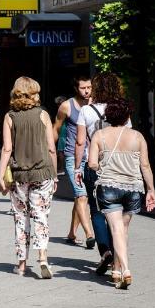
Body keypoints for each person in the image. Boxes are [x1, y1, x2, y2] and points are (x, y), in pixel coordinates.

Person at [88, 97, 155, 289]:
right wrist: (151, 190)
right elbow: (145, 165)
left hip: (109, 186)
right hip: (133, 188)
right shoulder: (137, 137)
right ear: (127, 116)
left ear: (108, 116)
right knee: (122, 231)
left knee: (116, 230)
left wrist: (101, 162)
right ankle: (116, 271)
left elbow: (92, 163)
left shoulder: (99, 135)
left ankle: (125, 269)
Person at [0, 77, 57, 279]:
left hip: (19, 175)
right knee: (40, 215)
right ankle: (42, 258)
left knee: (21, 217)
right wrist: (55, 176)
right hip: (43, 172)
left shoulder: (10, 117)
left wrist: (0, 175)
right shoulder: (43, 115)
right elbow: (51, 148)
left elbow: (7, 148)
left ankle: (22, 264)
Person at [74, 72, 126, 276]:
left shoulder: (86, 110)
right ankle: (116, 255)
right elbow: (127, 137)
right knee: (116, 211)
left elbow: (80, 142)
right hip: (118, 166)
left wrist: (78, 167)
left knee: (96, 211)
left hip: (93, 164)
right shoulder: (121, 110)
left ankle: (104, 251)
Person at [53, 76, 96, 248]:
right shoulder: (67, 106)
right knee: (82, 195)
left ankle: (71, 233)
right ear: (76, 88)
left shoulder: (95, 104)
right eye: (83, 88)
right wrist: (50, 152)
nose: (87, 91)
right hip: (72, 156)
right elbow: (55, 128)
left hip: (92, 157)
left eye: (89, 87)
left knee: (81, 198)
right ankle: (90, 234)